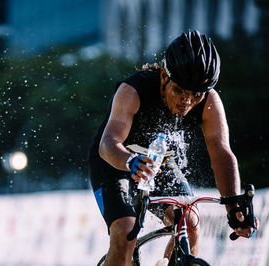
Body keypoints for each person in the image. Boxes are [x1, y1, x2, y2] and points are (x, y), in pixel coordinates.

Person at [88, 30, 258, 266]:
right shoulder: (132, 90)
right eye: (179, 90)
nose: (186, 101)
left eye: (195, 94)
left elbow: (221, 153)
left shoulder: (209, 101)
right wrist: (130, 162)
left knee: (189, 223)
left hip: (159, 163)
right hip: (116, 162)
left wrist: (234, 206)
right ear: (163, 76)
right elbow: (108, 144)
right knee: (125, 234)